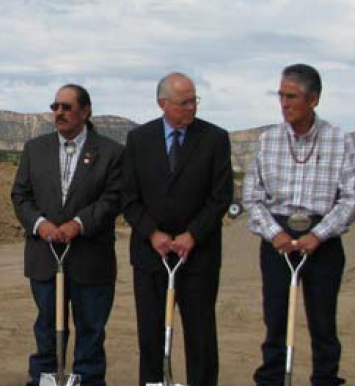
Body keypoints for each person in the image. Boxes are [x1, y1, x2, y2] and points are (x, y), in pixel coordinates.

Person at [243, 64, 355, 386]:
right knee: (276, 317)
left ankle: (325, 378)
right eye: (281, 95)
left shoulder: (339, 141)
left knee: (323, 320)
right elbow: (252, 197)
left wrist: (319, 234)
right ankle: (272, 378)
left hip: (322, 238)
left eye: (291, 96)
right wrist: (274, 232)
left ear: (313, 100)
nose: (283, 103)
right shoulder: (268, 141)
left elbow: (350, 200)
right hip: (277, 238)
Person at [122, 73, 233, 386]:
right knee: (151, 333)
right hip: (150, 256)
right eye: (184, 102)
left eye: (194, 100)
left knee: (200, 334)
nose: (191, 107)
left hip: (198, 256)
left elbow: (221, 195)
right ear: (163, 104)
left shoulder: (215, 139)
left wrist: (193, 234)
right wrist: (152, 233)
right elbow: (128, 197)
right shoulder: (138, 140)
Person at [11, 84, 123, 386]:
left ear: (85, 112)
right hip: (44, 256)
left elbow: (113, 198)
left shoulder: (111, 152)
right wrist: (39, 224)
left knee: (91, 329)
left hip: (91, 258)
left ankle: (87, 381)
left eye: (66, 107)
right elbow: (20, 194)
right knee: (47, 326)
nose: (58, 113)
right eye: (55, 106)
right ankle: (44, 379)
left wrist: (79, 223)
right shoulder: (35, 149)